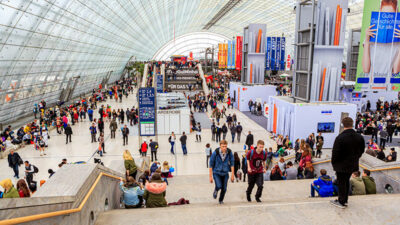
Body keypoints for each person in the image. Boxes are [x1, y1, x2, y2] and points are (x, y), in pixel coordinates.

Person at [331, 117, 365, 209]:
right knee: (346, 181)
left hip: (341, 165)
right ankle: (344, 200)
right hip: (353, 164)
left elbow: (335, 153)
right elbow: (362, 150)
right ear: (352, 124)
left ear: (343, 125)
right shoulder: (359, 137)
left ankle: (341, 202)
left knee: (342, 182)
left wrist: (334, 163)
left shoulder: (340, 137)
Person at [209, 140, 235, 204]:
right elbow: (211, 164)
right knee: (219, 185)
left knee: (224, 189)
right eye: (223, 146)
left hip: (225, 173)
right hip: (216, 172)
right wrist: (210, 176)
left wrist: (232, 175)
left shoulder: (229, 152)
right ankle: (216, 190)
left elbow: (232, 164)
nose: (224, 148)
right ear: (220, 146)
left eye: (225, 146)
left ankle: (221, 200)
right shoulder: (216, 153)